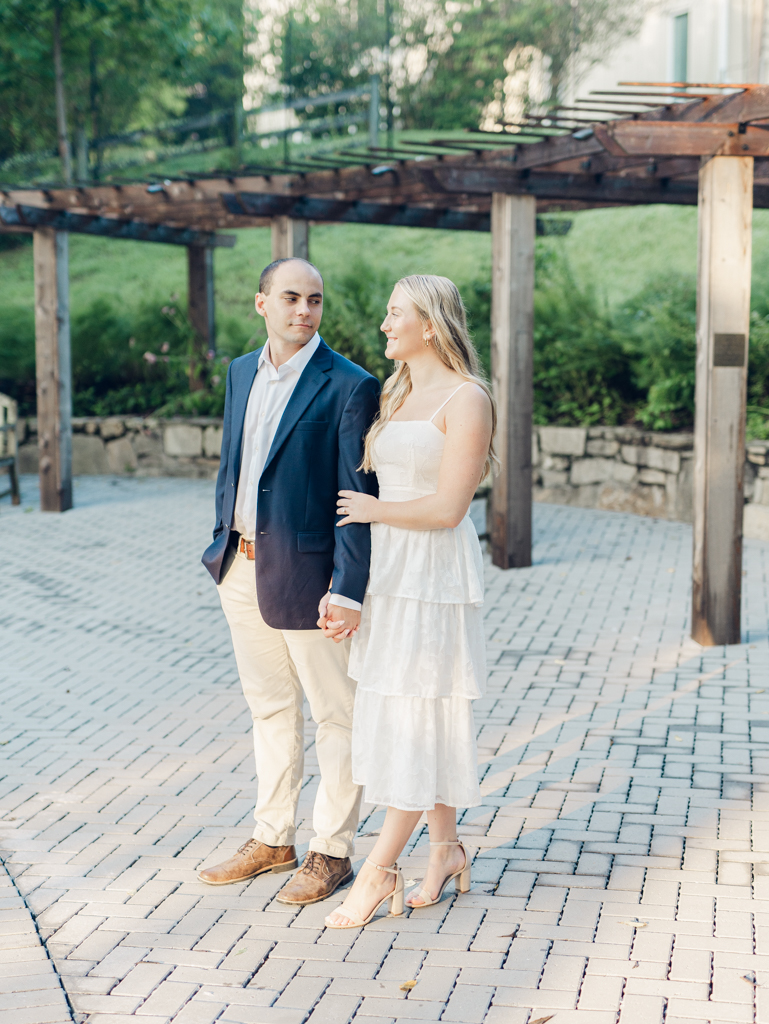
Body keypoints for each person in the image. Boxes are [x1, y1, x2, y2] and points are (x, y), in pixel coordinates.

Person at [198, 257, 380, 907]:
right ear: (262, 304)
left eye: (315, 300)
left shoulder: (350, 385)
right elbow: (233, 464)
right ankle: (272, 838)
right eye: (291, 298)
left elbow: (357, 494)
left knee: (337, 714)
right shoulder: (240, 372)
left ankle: (331, 849)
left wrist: (348, 587)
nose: (303, 310)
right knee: (269, 708)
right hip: (240, 567)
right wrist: (222, 541)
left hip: (310, 576)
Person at [320, 273, 495, 929]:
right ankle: (445, 847)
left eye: (396, 314)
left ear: (430, 324)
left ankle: (378, 868)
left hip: (432, 575)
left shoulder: (466, 398)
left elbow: (451, 508)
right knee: (412, 708)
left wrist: (374, 508)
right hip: (389, 572)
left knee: (417, 712)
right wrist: (348, 587)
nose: (384, 324)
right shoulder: (395, 393)